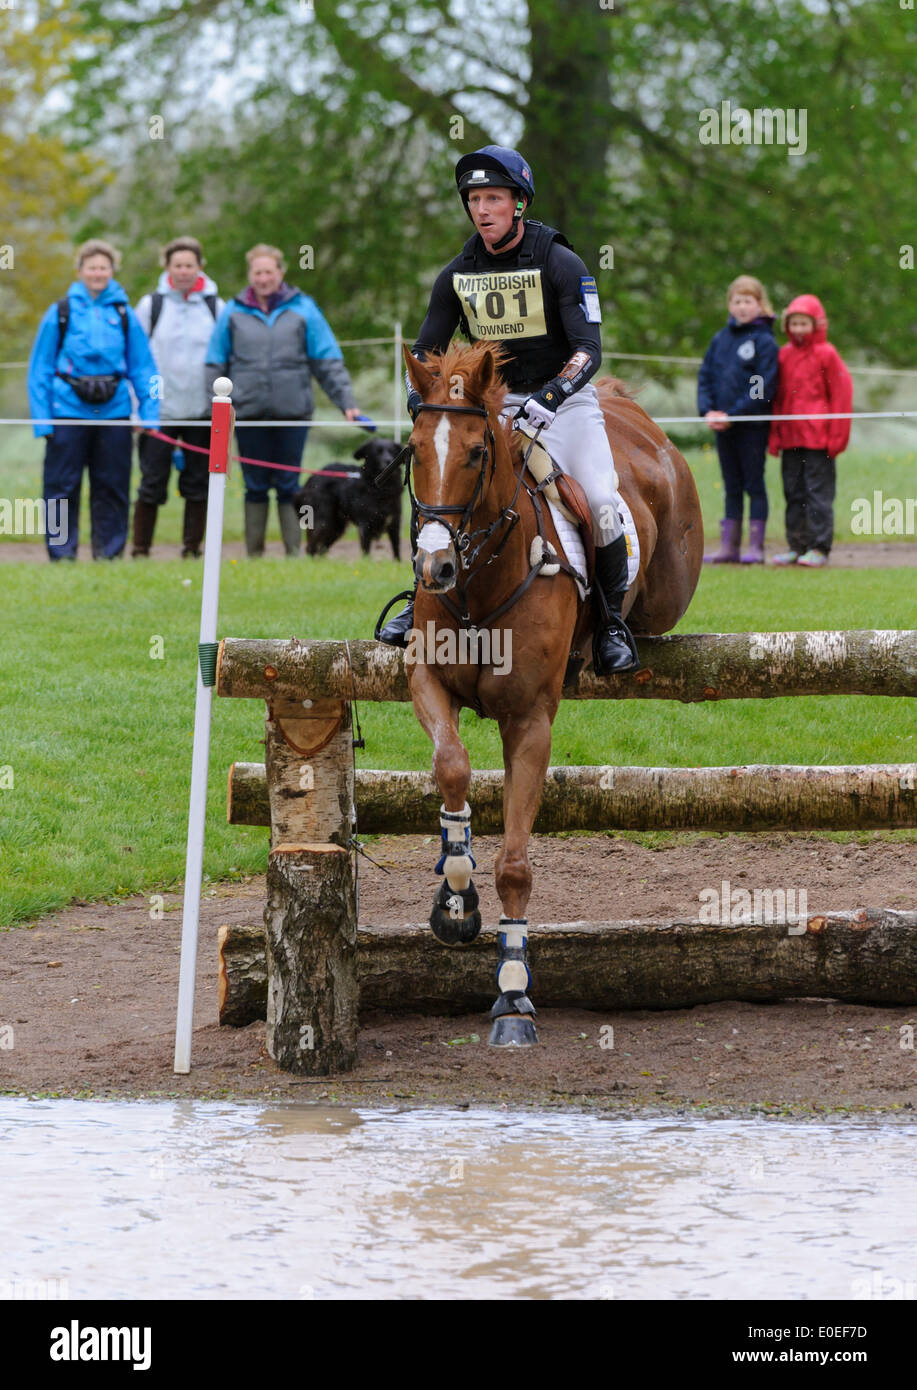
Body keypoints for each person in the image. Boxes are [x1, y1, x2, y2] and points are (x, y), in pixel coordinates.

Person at [377, 144, 638, 674]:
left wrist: (552, 396)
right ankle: (418, 596)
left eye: (493, 198)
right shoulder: (456, 274)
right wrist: (420, 399)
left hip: (563, 400)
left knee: (602, 500)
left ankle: (611, 622)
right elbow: (426, 350)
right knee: (441, 489)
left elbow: (589, 349)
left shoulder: (561, 262)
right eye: (474, 199)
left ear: (519, 204)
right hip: (491, 407)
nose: (482, 209)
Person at [204, 243, 363, 556]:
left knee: (290, 483)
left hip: (293, 413)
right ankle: (254, 554)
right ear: (250, 275)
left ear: (281, 272)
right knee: (255, 484)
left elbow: (326, 360)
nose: (263, 278)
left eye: (269, 271)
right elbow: (214, 362)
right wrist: (213, 405)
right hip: (248, 413)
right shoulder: (233, 311)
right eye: (257, 272)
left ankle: (294, 551)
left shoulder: (303, 308)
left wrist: (346, 402)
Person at [27, 239, 159, 560]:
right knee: (60, 488)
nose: (98, 273)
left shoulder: (124, 314)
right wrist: (43, 420)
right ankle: (61, 554)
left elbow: (146, 370)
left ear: (112, 271)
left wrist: (150, 414)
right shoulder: (60, 312)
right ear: (80, 271)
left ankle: (109, 555)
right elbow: (39, 368)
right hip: (66, 413)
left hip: (114, 413)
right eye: (92, 267)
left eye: (104, 267)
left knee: (112, 487)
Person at [132, 236, 225, 557]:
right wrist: (139, 410)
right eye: (177, 265)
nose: (183, 271)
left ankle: (192, 549)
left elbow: (224, 357)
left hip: (202, 411)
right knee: (151, 482)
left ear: (199, 266)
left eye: (189, 265)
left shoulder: (217, 307)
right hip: (160, 411)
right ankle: (141, 549)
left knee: (199, 484)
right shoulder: (151, 305)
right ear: (167, 267)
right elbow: (136, 357)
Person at [697, 274, 778, 564]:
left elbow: (761, 386)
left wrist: (735, 415)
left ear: (760, 304)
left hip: (751, 427)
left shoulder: (765, 341)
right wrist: (709, 411)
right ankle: (729, 546)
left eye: (748, 301)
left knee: (753, 484)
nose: (742, 307)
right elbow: (706, 376)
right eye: (737, 301)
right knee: (731, 485)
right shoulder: (720, 339)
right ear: (730, 304)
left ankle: (755, 547)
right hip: (722, 426)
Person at [768, 294, 853, 567]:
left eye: (804, 323)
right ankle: (796, 545)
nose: (798, 329)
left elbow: (841, 394)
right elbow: (778, 398)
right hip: (791, 439)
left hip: (819, 440)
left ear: (816, 325)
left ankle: (819, 547)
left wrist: (838, 437)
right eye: (794, 324)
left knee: (818, 494)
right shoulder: (783, 355)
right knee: (793, 493)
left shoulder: (827, 354)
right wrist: (775, 435)